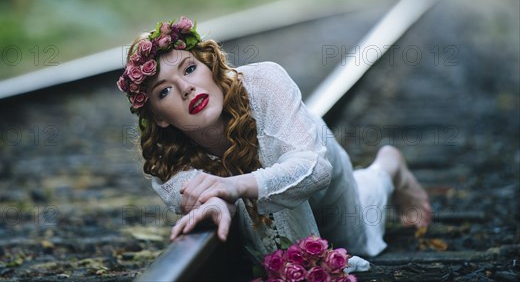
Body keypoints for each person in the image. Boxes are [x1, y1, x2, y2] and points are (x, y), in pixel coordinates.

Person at [117, 16, 432, 259]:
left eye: (189, 69)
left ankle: (388, 167)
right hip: (277, 189)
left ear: (209, 66)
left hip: (316, 162)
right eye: (165, 90)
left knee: (354, 238)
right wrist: (214, 202)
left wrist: (234, 185)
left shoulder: (264, 81)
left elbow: (315, 168)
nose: (186, 88)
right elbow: (202, 197)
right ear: (158, 116)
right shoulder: (165, 162)